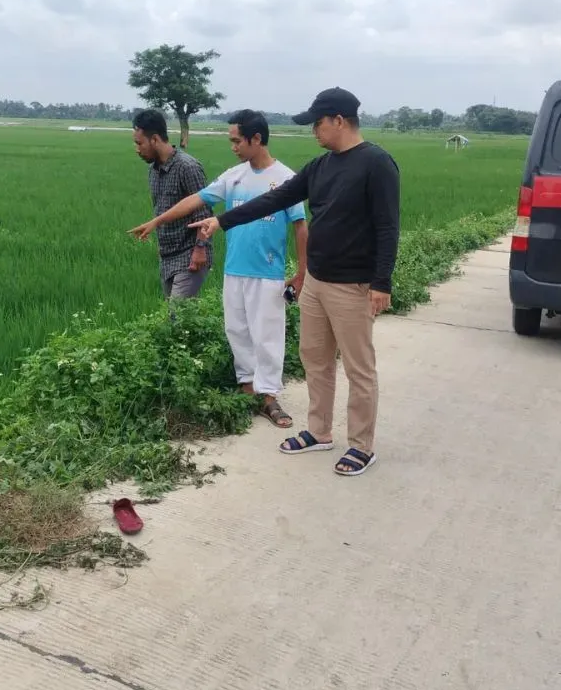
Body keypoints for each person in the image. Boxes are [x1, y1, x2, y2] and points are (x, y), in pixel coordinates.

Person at [189, 87, 400, 477]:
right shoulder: (320, 167)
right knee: (315, 360)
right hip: (317, 282)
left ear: (339, 120)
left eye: (317, 124)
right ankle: (319, 431)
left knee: (358, 368)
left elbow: (388, 227)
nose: (313, 132)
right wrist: (221, 220)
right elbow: (275, 198)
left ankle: (361, 445)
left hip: (353, 285)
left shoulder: (376, 163)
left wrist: (381, 283)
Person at [129, 109, 309, 428]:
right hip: (234, 270)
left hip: (267, 272)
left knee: (267, 335)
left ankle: (269, 397)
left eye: (237, 140)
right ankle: (247, 387)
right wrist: (157, 221)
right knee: (236, 330)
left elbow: (300, 227)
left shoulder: (285, 180)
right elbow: (195, 200)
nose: (233, 146)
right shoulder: (233, 176)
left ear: (256, 139)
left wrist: (301, 273)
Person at [131, 108, 214, 299]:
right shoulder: (153, 170)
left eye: (139, 143)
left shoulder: (187, 167)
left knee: (177, 316)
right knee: (180, 320)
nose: (137, 149)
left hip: (190, 253)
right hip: (167, 255)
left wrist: (200, 249)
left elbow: (204, 213)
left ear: (155, 139)